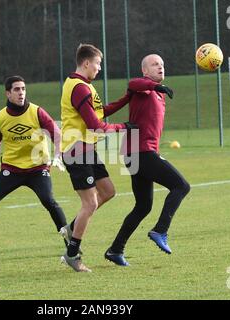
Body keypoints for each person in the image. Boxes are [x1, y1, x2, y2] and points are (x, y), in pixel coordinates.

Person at [104, 54, 191, 266]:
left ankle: (115, 250)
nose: (160, 67)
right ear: (145, 70)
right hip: (140, 152)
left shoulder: (157, 93)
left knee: (143, 206)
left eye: (162, 64)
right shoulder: (143, 88)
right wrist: (155, 87)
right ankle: (160, 230)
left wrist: (157, 89)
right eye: (155, 64)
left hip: (135, 152)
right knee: (181, 186)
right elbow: (133, 83)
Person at [59, 44, 136, 272]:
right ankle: (72, 254)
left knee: (108, 191)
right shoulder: (79, 87)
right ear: (86, 63)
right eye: (97, 64)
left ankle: (72, 228)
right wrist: (124, 127)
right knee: (90, 203)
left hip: (86, 150)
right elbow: (96, 126)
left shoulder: (83, 86)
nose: (99, 68)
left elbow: (100, 112)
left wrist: (127, 98)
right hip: (76, 150)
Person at [0, 75, 68, 246]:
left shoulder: (36, 112)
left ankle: (71, 245)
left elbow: (57, 134)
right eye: (16, 89)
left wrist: (58, 155)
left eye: (23, 89)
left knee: (48, 200)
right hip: (12, 170)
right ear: (8, 94)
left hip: (38, 169)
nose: (21, 93)